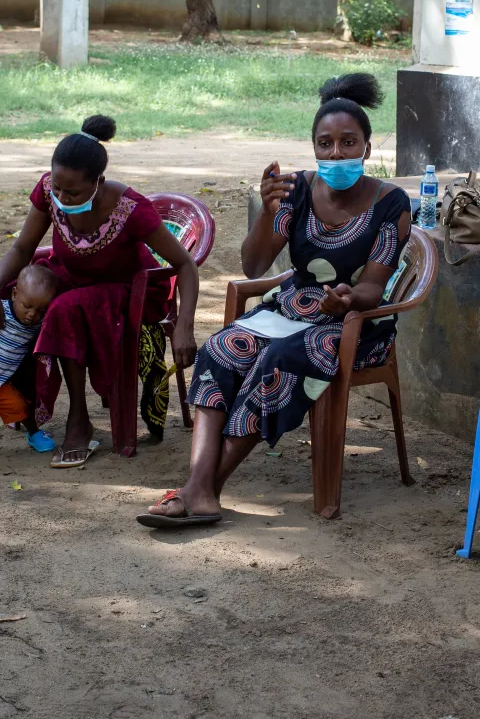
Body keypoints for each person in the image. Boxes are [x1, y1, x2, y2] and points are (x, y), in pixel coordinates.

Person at [137, 72, 411, 528]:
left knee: (279, 359)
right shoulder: (296, 190)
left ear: (366, 147)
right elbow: (253, 266)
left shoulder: (390, 201)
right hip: (290, 308)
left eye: (349, 143)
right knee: (221, 349)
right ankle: (200, 486)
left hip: (354, 325)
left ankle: (200, 490)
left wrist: (346, 300)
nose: (336, 153)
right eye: (325, 144)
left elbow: (373, 289)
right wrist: (267, 215)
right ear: (314, 147)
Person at [0, 115, 199, 468]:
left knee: (62, 309)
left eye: (72, 192)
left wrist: (185, 325)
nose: (60, 197)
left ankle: (79, 419)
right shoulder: (50, 189)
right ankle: (24, 401)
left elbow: (184, 264)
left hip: (126, 290)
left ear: (99, 182)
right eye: (57, 188)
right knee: (18, 298)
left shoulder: (130, 209)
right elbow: (21, 250)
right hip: (72, 277)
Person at [0, 265, 58, 452]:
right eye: (27, 306)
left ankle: (33, 433)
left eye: (41, 310)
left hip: (3, 385)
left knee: (20, 407)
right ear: (15, 294)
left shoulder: (39, 323)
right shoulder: (2, 311)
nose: (32, 314)